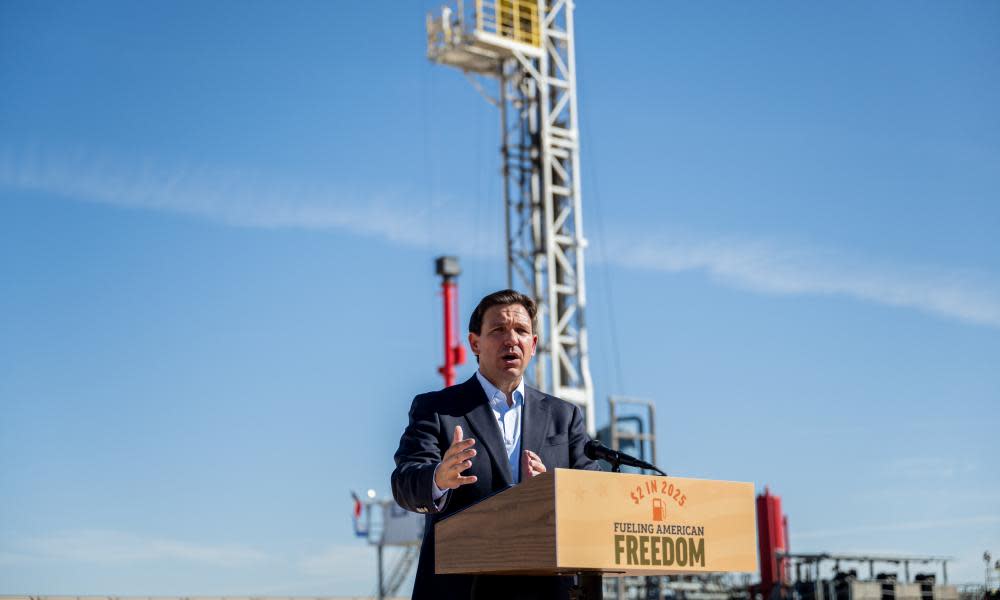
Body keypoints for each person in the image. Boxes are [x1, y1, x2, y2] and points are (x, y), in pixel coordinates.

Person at [391, 289, 600, 600]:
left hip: (545, 589)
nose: (511, 339)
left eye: (521, 331)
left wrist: (552, 491)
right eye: (498, 330)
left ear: (534, 344)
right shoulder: (437, 409)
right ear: (475, 342)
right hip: (464, 588)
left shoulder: (564, 417)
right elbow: (404, 483)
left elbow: (592, 496)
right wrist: (438, 478)